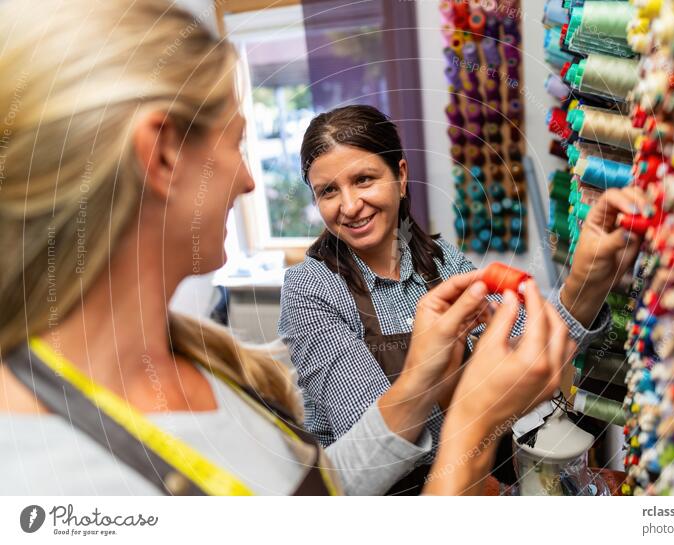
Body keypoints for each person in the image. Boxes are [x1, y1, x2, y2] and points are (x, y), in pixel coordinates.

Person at [0, 0, 578, 496]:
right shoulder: (49, 469)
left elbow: (320, 491)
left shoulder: (206, 365)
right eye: (236, 144)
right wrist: (472, 427)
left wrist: (429, 383)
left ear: (402, 178)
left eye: (365, 181)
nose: (250, 182)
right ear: (165, 154)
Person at [278, 106, 646, 493]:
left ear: (400, 177)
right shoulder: (310, 290)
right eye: (328, 191)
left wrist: (588, 278)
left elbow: (528, 344)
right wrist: (456, 387)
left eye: (364, 179)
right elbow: (376, 451)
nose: (349, 206)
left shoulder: (440, 261)